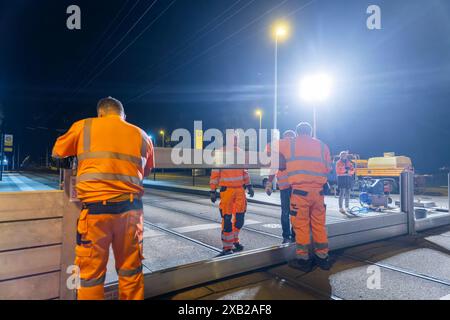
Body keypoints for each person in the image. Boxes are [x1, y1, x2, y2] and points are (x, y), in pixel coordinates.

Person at [52, 97, 154, 300]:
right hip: (131, 212)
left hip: (96, 213)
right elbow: (147, 171)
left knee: (91, 276)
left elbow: (57, 154)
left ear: (100, 113)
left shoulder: (84, 126)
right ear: (123, 115)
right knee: (131, 270)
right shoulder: (142, 135)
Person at [278, 122, 332, 272]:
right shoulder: (322, 146)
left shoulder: (290, 143)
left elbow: (268, 149)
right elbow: (328, 168)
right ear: (311, 131)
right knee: (319, 225)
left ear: (297, 132)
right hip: (318, 193)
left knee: (301, 226)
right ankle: (323, 258)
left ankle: (303, 260)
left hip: (300, 193)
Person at [209, 140, 255, 257]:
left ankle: (234, 240)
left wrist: (249, 185)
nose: (235, 140)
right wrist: (213, 190)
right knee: (227, 219)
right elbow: (215, 173)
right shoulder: (220, 152)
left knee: (240, 219)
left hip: (240, 190)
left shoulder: (240, 152)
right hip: (227, 191)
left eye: (236, 138)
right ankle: (227, 247)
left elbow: (244, 171)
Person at [265, 130, 297, 244]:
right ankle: (294, 235)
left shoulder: (278, 151)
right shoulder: (295, 150)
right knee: (296, 212)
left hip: (285, 188)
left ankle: (286, 236)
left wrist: (269, 185)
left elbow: (273, 169)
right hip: (295, 188)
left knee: (285, 212)